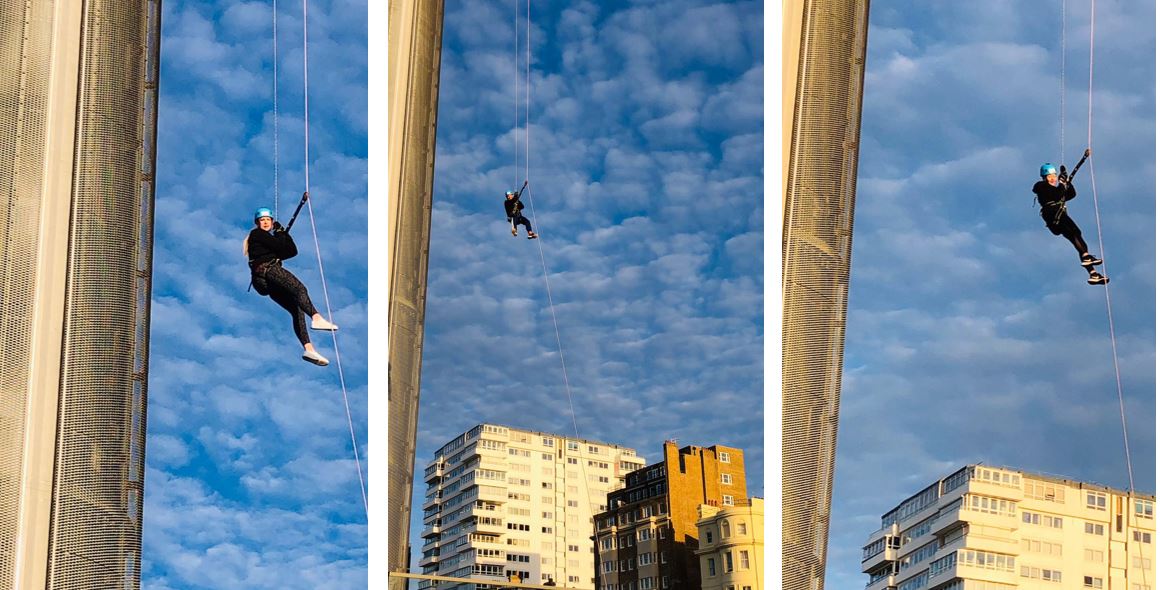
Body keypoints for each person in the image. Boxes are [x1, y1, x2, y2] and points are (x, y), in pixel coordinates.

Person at [245, 205, 338, 365]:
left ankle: (309, 350)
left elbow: (291, 252)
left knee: (297, 309)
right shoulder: (257, 234)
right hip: (267, 270)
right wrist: (280, 233)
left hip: (265, 281)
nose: (266, 223)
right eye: (262, 220)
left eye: (268, 220)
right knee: (300, 289)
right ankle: (316, 317)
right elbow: (279, 247)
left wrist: (282, 234)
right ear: (257, 223)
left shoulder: (266, 241)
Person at [1033, 158, 1107, 285]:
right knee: (1075, 232)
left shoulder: (1055, 189)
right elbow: (1056, 195)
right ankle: (1085, 256)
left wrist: (1067, 182)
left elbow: (1071, 194)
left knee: (1076, 236)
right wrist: (1062, 184)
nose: (1053, 179)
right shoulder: (1041, 186)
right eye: (1050, 176)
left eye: (1054, 176)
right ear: (1044, 177)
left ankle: (1093, 273)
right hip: (1053, 214)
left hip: (1058, 214)